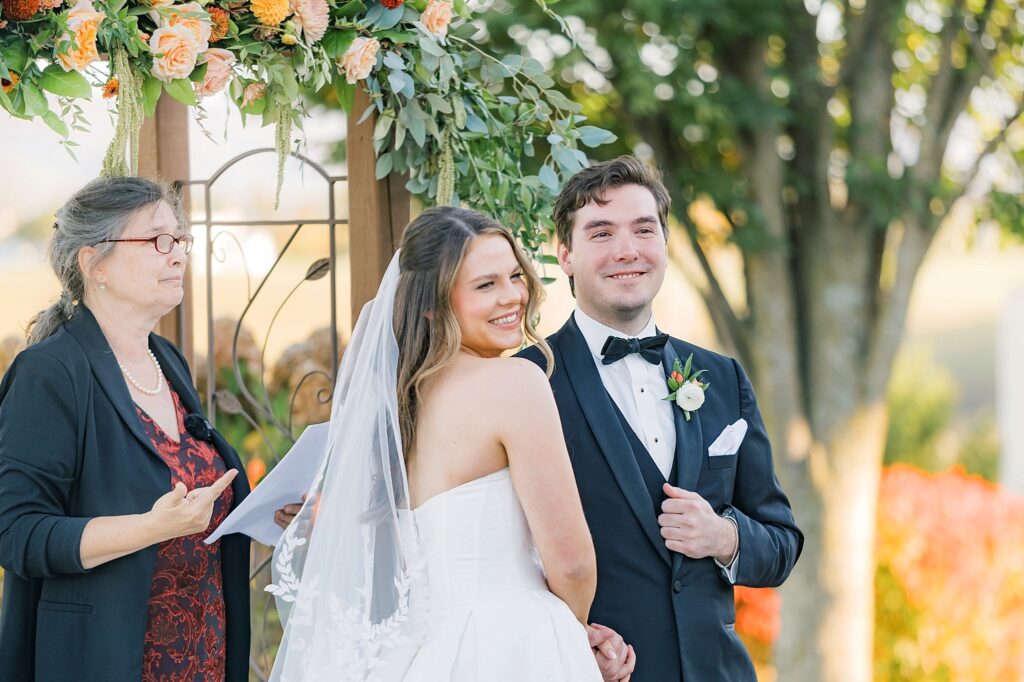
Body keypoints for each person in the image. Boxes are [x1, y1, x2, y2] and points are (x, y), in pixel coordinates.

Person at [267, 207, 625, 680]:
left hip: (424, 650)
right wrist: (573, 636)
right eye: (485, 285)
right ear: (434, 305)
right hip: (511, 644)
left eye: (515, 276)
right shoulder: (516, 383)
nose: (512, 296)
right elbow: (574, 563)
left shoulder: (397, 406)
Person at [518, 156, 804, 681]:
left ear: (664, 245)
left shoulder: (723, 379)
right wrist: (572, 642)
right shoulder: (525, 382)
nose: (627, 250)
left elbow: (782, 544)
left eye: (643, 230)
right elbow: (495, 558)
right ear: (566, 255)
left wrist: (724, 538)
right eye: (601, 233)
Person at [0, 177, 251, 681]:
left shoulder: (167, 360)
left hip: (204, 652)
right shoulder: (49, 373)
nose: (177, 255)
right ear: (95, 265)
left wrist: (260, 509)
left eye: (179, 240)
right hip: (110, 658)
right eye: (158, 241)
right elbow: (16, 534)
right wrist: (151, 528)